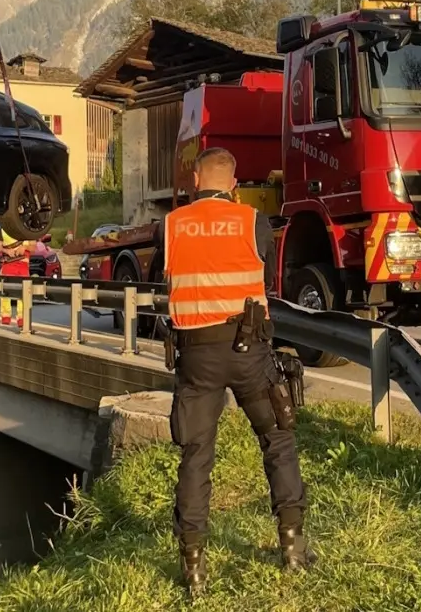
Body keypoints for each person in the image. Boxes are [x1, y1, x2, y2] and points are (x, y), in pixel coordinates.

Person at [150, 147, 309, 595]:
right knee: (277, 439)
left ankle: (194, 568)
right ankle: (293, 548)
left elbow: (165, 279)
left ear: (196, 179)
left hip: (196, 357)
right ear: (234, 185)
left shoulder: (173, 225)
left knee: (196, 454)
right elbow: (268, 284)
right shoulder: (252, 223)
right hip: (249, 352)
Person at [0, 230, 32, 327]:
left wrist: (24, 247)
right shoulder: (3, 230)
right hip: (8, 263)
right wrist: (7, 251)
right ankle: (6, 317)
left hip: (23, 266)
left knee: (23, 293)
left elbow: (34, 246)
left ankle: (22, 318)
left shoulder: (28, 228)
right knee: (6, 290)